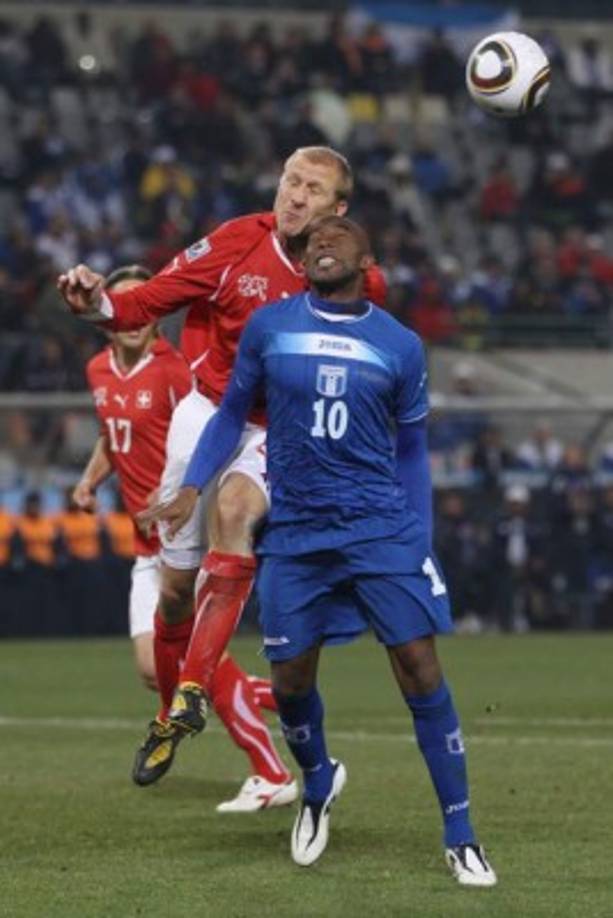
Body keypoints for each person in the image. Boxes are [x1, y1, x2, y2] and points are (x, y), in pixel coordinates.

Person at [147, 216, 496, 885]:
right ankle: (315, 786)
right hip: (298, 530)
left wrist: (417, 539)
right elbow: (229, 416)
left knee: (419, 666)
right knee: (290, 681)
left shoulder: (399, 345)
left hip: (376, 528)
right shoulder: (269, 328)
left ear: (368, 259)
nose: (320, 245)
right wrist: (194, 485)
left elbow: (413, 451)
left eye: (336, 237)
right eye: (309, 243)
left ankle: (460, 832)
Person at [57, 146, 386, 774]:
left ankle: (192, 692)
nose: (293, 195)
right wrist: (96, 304)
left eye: (312, 189)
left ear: (338, 209)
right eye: (290, 180)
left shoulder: (350, 278)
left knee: (235, 512)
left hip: (281, 430)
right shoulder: (238, 242)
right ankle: (168, 717)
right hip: (208, 415)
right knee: (175, 588)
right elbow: (144, 302)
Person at [74, 264, 296, 812]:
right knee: (156, 672)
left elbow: (219, 428)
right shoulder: (98, 370)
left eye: (141, 307)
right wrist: (89, 480)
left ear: (154, 318)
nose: (132, 319)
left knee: (195, 665)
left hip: (183, 536)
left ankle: (269, 769)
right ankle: (281, 697)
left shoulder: (177, 372)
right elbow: (112, 432)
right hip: (144, 542)